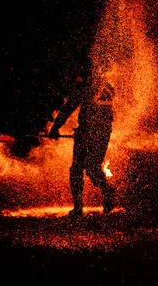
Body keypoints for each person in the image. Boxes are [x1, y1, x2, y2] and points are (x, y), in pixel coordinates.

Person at [48, 60, 116, 217]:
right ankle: (107, 190)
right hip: (104, 132)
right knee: (93, 167)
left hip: (86, 132)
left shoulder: (85, 86)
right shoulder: (108, 86)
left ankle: (78, 207)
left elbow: (69, 107)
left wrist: (55, 128)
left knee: (77, 168)